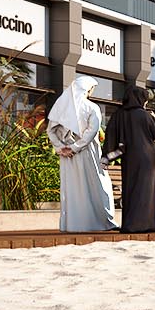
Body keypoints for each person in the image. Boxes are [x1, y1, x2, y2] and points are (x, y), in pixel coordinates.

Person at [45, 77, 116, 233]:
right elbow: (92, 131)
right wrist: (75, 147)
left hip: (67, 156)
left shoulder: (60, 107)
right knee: (98, 185)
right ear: (87, 89)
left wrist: (61, 147)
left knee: (73, 187)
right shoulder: (92, 107)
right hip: (88, 153)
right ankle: (103, 222)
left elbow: (50, 130)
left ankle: (73, 225)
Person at [104, 86, 155, 234]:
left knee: (130, 189)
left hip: (129, 157)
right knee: (147, 190)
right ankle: (148, 224)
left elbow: (110, 134)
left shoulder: (118, 114)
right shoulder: (145, 115)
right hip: (147, 157)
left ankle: (131, 225)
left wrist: (106, 156)